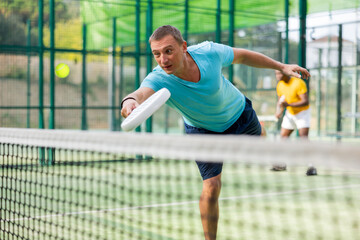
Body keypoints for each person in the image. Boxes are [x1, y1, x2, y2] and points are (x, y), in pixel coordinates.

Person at [121, 25, 310, 240]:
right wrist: (130, 101)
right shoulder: (159, 78)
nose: (163, 59)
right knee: (211, 187)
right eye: (157, 54)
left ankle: (261, 133)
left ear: (183, 47)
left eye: (168, 51)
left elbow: (244, 56)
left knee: (260, 140)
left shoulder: (208, 52)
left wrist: (281, 66)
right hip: (202, 131)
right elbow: (140, 93)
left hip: (239, 113)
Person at [273, 70, 317, 175]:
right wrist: (278, 112)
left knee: (303, 138)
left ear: (285, 73)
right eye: (276, 74)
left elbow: (305, 101)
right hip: (290, 113)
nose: (277, 76)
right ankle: (281, 164)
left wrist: (288, 105)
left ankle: (312, 167)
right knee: (283, 137)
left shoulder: (298, 83)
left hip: (303, 113)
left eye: (279, 73)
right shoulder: (280, 85)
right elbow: (281, 102)